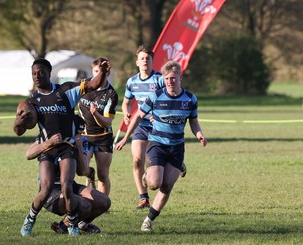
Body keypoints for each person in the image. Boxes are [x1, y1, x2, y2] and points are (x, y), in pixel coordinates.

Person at [15, 57, 111, 236]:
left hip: (66, 149)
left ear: (49, 74)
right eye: (34, 73)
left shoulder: (66, 91)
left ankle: (74, 225)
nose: (37, 76)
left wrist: (103, 72)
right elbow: (18, 131)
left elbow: (93, 84)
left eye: (41, 73)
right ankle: (30, 219)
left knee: (76, 189)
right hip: (48, 152)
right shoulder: (32, 102)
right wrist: (19, 121)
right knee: (46, 188)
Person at [116, 60, 207, 232]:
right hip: (157, 144)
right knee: (154, 184)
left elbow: (194, 123)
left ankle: (148, 220)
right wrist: (125, 137)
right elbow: (137, 116)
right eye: (166, 79)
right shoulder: (156, 96)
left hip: (177, 147)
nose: (170, 82)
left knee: (166, 186)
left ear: (180, 77)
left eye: (173, 78)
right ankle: (149, 175)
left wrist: (199, 134)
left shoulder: (190, 99)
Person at [121, 45, 186, 209]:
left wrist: (158, 115)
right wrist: (126, 113)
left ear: (152, 61)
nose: (145, 61)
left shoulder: (160, 79)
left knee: (157, 159)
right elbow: (126, 102)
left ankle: (174, 163)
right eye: (142, 58)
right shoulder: (132, 82)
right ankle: (143, 198)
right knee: (137, 160)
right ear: (137, 62)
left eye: (148, 59)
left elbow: (170, 98)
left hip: (159, 126)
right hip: (141, 125)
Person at [25, 116, 111, 235]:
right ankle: (66, 224)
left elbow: (81, 171)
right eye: (77, 133)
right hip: (50, 190)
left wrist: (79, 147)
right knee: (84, 205)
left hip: (69, 185)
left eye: (82, 133)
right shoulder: (51, 136)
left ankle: (71, 225)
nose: (79, 135)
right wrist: (48, 143)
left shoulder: (82, 140)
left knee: (104, 201)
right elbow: (29, 154)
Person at [77, 57, 118, 196]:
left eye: (101, 72)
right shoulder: (83, 86)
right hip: (84, 136)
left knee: (103, 175)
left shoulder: (111, 94)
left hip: (103, 137)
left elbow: (106, 122)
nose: (98, 75)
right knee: (81, 169)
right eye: (95, 71)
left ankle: (103, 205)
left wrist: (95, 114)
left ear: (108, 73)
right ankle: (90, 174)